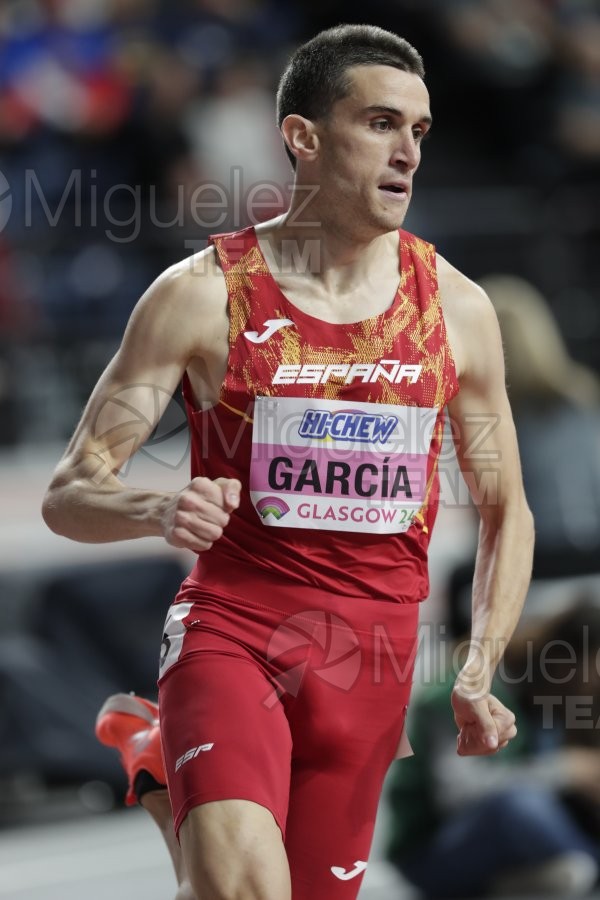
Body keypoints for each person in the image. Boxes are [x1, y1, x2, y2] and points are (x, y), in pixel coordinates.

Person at [42, 23, 534, 900]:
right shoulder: (199, 296)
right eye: (380, 123)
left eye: (419, 132)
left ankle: (163, 780)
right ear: (303, 136)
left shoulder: (456, 308)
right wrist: (155, 510)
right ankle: (183, 773)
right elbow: (71, 492)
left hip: (370, 662)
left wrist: (478, 665)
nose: (407, 153)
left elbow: (505, 510)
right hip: (236, 632)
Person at [386, 598, 600, 898]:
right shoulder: (460, 689)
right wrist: (567, 770)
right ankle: (587, 862)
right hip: (432, 849)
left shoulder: (544, 700)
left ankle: (553, 871)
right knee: (519, 806)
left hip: (504, 846)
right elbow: (456, 793)